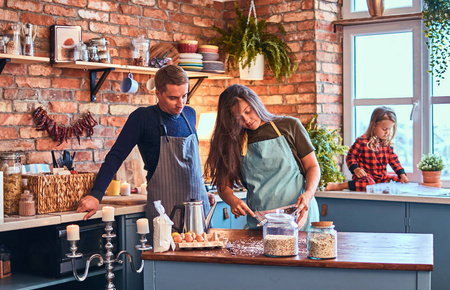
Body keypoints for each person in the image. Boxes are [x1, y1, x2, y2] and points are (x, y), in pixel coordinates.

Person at [77, 65, 214, 238]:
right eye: (173, 98)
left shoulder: (190, 114)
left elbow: (192, 164)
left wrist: (203, 189)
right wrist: (96, 195)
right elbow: (116, 156)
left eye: (184, 96)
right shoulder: (143, 118)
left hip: (198, 209)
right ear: (158, 93)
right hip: (165, 212)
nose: (180, 103)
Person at [204, 84, 320, 230]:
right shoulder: (233, 141)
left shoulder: (289, 126)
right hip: (261, 221)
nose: (246, 120)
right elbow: (223, 186)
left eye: (248, 111)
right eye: (238, 118)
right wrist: (233, 200)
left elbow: (312, 167)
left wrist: (309, 194)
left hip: (299, 215)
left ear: (255, 103)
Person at [325, 106, 409, 192]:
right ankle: (340, 186)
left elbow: (394, 160)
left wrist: (401, 174)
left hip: (381, 177)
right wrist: (356, 169)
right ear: (374, 125)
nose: (387, 132)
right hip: (365, 177)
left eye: (390, 129)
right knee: (368, 184)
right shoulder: (362, 141)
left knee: (398, 181)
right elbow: (350, 156)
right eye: (384, 129)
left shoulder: (387, 145)